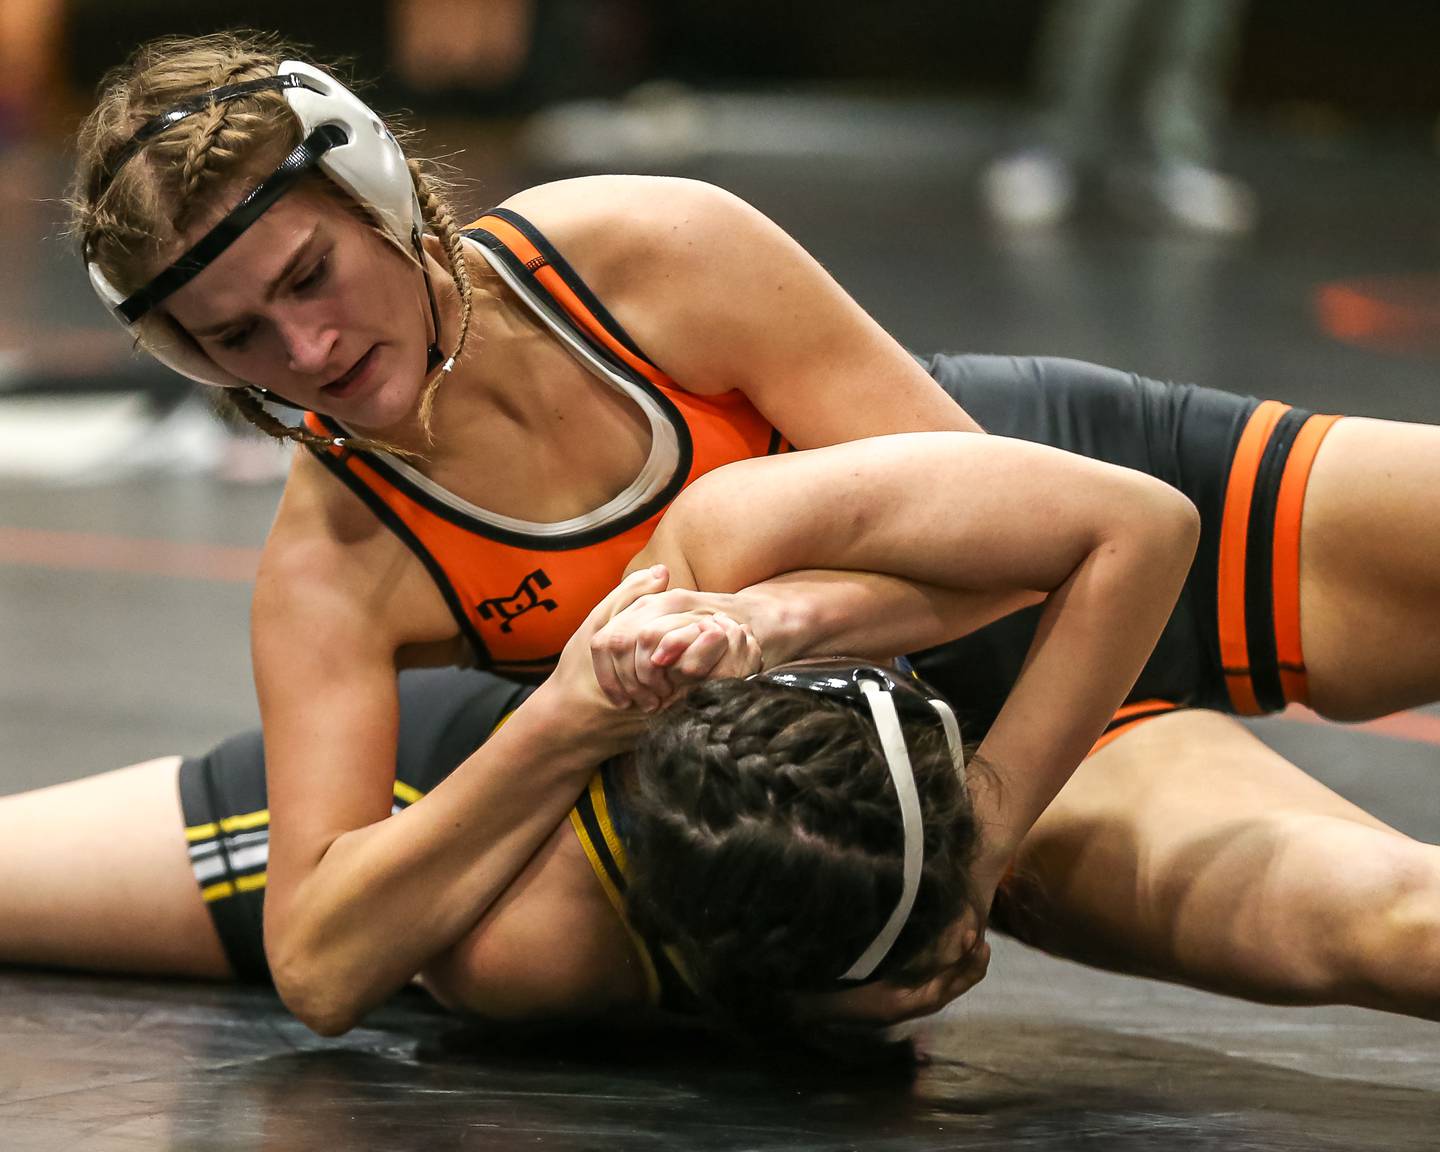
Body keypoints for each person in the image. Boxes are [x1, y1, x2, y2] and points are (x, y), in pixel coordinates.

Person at [63, 33, 1440, 1029]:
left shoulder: (643, 253)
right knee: (1390, 927)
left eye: (310, 274)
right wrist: (975, 844)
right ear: (190, 358)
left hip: (1053, 496)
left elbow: (1014, 547)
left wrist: (780, 622)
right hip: (953, 750)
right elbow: (319, 964)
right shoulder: (334, 564)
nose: (305, 346)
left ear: (372, 193)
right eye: (237, 334)